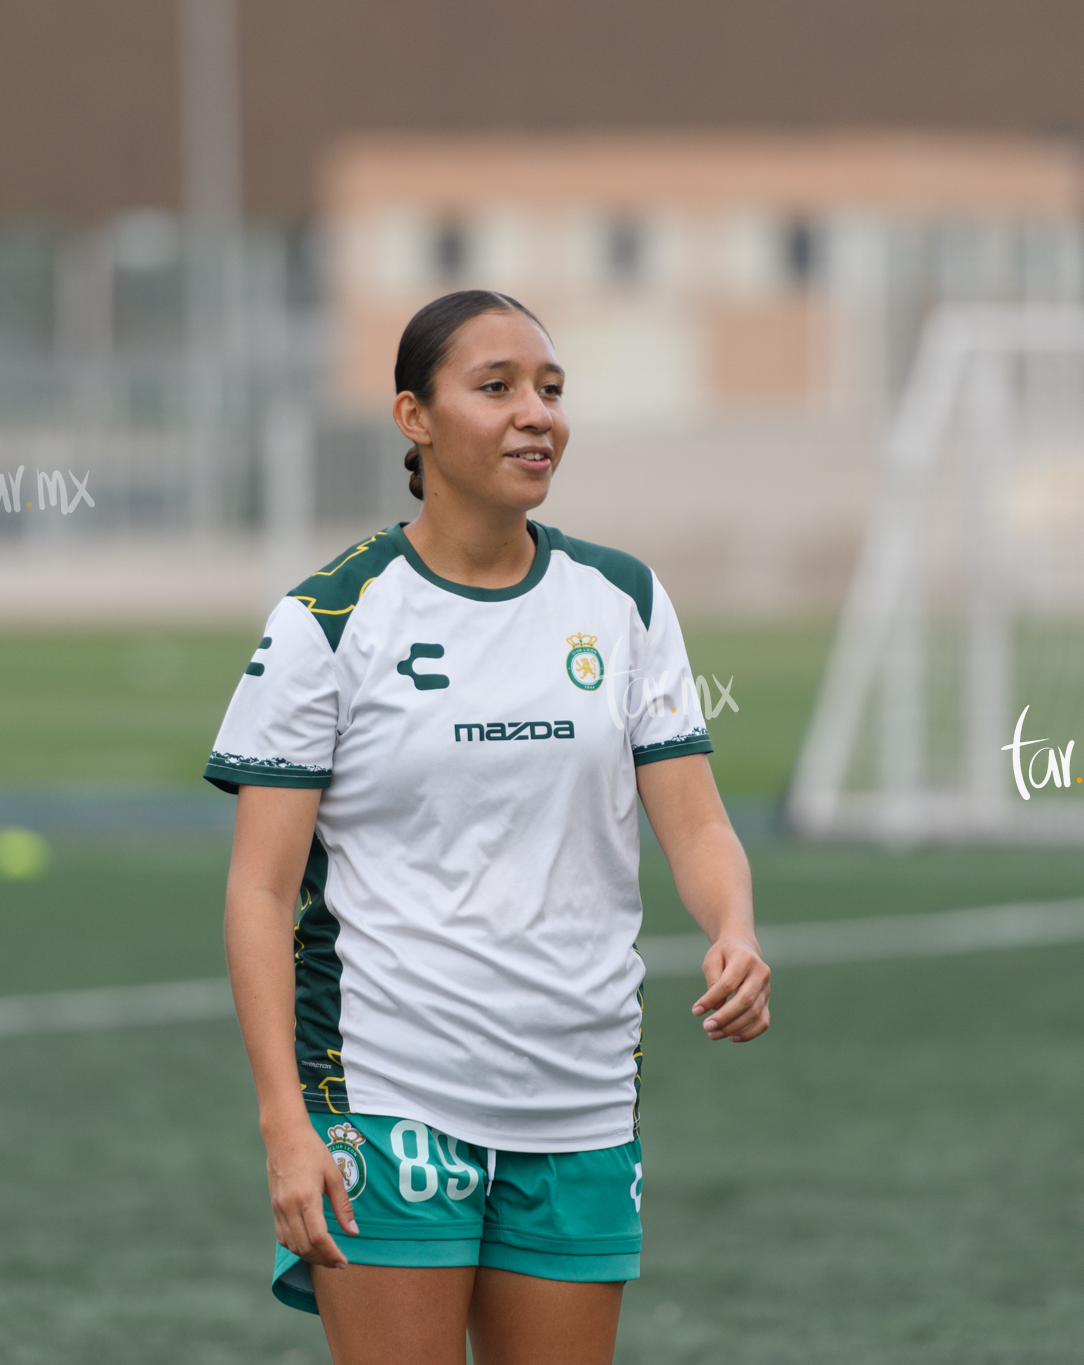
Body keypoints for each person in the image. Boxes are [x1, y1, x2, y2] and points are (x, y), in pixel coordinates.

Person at [207, 289, 771, 1365]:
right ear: (414, 419)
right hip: (385, 1092)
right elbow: (259, 892)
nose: (535, 416)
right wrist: (287, 1121)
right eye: (497, 388)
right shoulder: (329, 619)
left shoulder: (624, 601)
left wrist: (733, 927)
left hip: (581, 1098)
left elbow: (693, 822)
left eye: (550, 391)